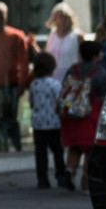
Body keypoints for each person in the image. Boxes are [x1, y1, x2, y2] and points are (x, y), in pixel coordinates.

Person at [59, 40, 106, 192]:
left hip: (70, 115)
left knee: (75, 147)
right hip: (89, 116)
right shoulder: (99, 72)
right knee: (90, 150)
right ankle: (86, 181)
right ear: (96, 55)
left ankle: (69, 170)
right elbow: (104, 96)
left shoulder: (72, 69)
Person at [28, 51, 70, 189]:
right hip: (53, 124)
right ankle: (61, 175)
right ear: (52, 67)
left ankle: (42, 179)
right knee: (58, 151)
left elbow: (32, 103)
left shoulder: (34, 84)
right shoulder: (55, 84)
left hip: (38, 124)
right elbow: (60, 102)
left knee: (40, 153)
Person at [0, 2, 30, 151]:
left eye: (0, 15)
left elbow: (23, 62)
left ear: (6, 16)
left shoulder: (16, 36)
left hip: (11, 83)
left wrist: (21, 83)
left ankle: (15, 146)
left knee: (10, 118)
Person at [45, 2, 82, 80]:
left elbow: (82, 59)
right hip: (53, 77)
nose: (63, 20)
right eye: (60, 16)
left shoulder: (77, 36)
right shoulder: (51, 36)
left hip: (71, 77)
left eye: (65, 16)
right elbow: (47, 56)